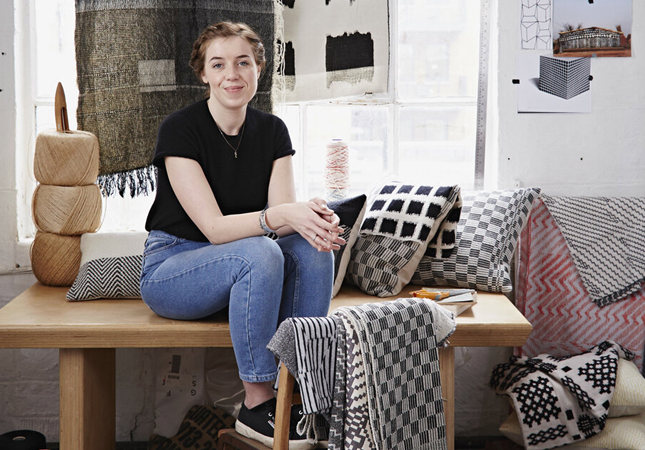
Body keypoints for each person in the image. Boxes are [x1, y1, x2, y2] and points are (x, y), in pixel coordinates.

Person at [140, 21, 345, 449]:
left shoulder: (272, 131)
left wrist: (311, 217)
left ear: (259, 70)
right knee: (260, 253)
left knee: (313, 250)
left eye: (242, 62)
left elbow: (283, 220)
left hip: (242, 267)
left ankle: (302, 397)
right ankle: (256, 403)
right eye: (219, 64)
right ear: (204, 74)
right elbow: (215, 230)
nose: (231, 74)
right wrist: (284, 214)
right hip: (174, 268)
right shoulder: (180, 129)